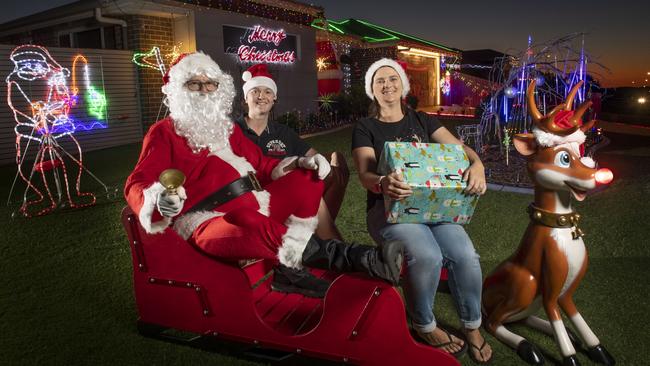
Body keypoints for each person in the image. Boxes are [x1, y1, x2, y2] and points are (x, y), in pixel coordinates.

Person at [124, 52, 404, 299]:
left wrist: (300, 163)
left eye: (209, 84)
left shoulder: (228, 129)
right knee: (249, 220)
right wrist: (157, 200)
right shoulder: (164, 131)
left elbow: (263, 164)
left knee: (307, 180)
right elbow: (136, 183)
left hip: (256, 201)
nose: (204, 90)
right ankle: (358, 258)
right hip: (207, 219)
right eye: (194, 84)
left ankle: (288, 272)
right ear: (178, 91)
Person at [351, 58, 492, 364]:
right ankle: (423, 324)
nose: (387, 85)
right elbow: (365, 174)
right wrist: (383, 182)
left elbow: (458, 150)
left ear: (402, 83)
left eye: (392, 79)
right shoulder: (366, 127)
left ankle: (472, 325)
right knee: (428, 255)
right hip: (388, 210)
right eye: (379, 81)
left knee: (466, 255)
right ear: (371, 90)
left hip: (436, 207)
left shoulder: (423, 120)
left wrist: (477, 164)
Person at [235, 63, 349, 241]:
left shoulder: (283, 133)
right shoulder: (232, 131)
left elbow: (315, 156)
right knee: (306, 186)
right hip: (249, 201)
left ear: (274, 98)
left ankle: (321, 241)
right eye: (255, 91)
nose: (261, 96)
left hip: (286, 198)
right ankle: (332, 246)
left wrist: (327, 163)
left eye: (267, 92)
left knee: (328, 174)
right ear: (245, 98)